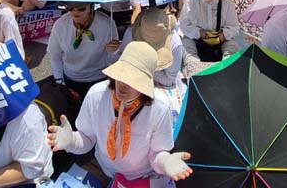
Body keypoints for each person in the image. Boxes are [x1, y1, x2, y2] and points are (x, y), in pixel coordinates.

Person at [47, 42, 192, 186]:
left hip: (143, 176)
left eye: (133, 79)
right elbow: (87, 139)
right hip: (102, 167)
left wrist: (166, 162)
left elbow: (157, 154)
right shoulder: (96, 95)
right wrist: (71, 140)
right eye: (121, 75)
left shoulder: (160, 108)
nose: (123, 83)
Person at [46, 1, 119, 98]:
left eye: (81, 8)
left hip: (99, 78)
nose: (75, 12)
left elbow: (113, 62)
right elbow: (55, 57)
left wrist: (114, 52)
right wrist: (60, 84)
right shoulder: (60, 25)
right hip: (69, 78)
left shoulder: (107, 24)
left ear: (91, 6)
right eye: (70, 8)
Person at [179, 0, 239, 64]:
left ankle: (226, 69)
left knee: (232, 49)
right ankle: (195, 70)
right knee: (187, 48)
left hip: (221, 40)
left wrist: (222, 36)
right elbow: (184, 25)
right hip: (196, 39)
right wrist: (200, 33)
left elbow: (234, 27)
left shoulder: (226, 0)